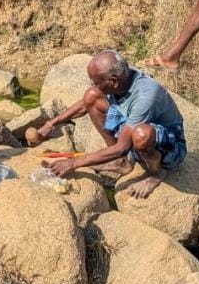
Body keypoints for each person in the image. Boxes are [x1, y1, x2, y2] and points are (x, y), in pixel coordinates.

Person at [33, 50, 185, 199]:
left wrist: (73, 163)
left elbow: (122, 148)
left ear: (113, 82)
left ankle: (156, 172)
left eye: (95, 82)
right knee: (91, 96)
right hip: (132, 128)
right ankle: (121, 162)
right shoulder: (123, 76)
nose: (92, 84)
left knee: (141, 134)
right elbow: (84, 105)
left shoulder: (146, 96)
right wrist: (51, 124)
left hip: (169, 145)